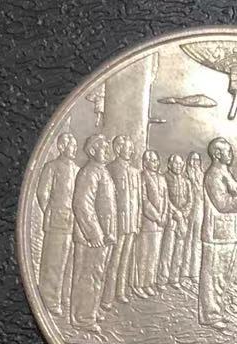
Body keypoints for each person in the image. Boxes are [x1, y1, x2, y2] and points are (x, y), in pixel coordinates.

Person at [199, 137, 237, 328]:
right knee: (213, 276)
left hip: (227, 233)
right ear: (216, 154)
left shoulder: (225, 173)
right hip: (217, 234)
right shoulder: (214, 175)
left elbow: (234, 193)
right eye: (227, 151)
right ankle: (210, 315)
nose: (231, 154)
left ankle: (217, 311)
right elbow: (222, 204)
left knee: (221, 276)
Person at [69, 135, 117, 331]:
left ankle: (91, 310)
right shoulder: (89, 172)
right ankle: (83, 318)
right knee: (88, 276)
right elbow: (82, 204)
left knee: (97, 275)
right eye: (103, 148)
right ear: (92, 150)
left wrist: (108, 233)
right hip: (91, 238)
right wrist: (94, 233)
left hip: (102, 236)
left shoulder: (101, 171)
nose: (107, 151)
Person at [34, 132, 79, 315]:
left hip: (74, 221)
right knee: (54, 261)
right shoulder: (51, 167)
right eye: (71, 145)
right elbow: (42, 193)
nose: (74, 148)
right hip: (56, 221)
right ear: (61, 147)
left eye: (75, 145)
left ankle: (64, 297)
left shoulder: (76, 169)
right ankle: (50, 299)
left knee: (68, 261)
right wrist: (50, 212)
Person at [102, 134, 142, 312]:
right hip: (116, 223)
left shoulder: (135, 172)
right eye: (128, 148)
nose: (131, 151)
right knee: (113, 260)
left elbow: (138, 200)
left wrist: (138, 221)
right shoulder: (110, 169)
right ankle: (107, 297)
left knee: (125, 259)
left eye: (132, 148)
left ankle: (120, 291)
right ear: (118, 149)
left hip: (131, 222)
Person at [137, 149, 169, 297]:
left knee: (154, 255)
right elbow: (144, 200)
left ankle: (149, 283)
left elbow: (166, 199)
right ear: (145, 163)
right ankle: (140, 284)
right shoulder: (143, 177)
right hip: (148, 223)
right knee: (144, 254)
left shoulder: (161, 178)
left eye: (157, 160)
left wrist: (164, 215)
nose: (155, 163)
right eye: (152, 161)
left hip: (160, 224)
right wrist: (156, 217)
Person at [163, 155, 193, 289]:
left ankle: (174, 278)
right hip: (170, 219)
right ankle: (162, 279)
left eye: (180, 164)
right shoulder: (164, 178)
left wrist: (183, 214)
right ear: (170, 165)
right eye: (176, 163)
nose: (178, 166)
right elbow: (165, 199)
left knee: (179, 250)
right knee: (167, 250)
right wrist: (177, 213)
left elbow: (190, 201)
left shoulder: (186, 181)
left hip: (182, 220)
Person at [185, 151, 206, 287]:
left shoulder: (202, 176)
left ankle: (194, 273)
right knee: (186, 242)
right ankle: (184, 273)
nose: (194, 163)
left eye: (197, 160)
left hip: (199, 212)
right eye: (192, 160)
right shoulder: (186, 176)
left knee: (197, 242)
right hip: (188, 213)